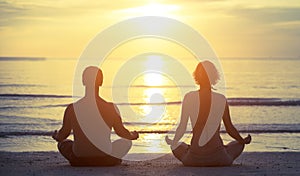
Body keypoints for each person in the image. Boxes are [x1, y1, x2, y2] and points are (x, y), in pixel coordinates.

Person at [165, 61, 251, 166]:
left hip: (193, 159)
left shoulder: (189, 97)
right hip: (218, 158)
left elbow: (182, 127)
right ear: (214, 76)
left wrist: (173, 142)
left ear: (196, 76)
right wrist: (242, 140)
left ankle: (189, 148)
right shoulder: (221, 99)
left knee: (177, 146)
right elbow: (229, 128)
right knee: (238, 144)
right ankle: (223, 149)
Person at [52, 66, 139, 166]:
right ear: (101, 82)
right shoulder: (111, 108)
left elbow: (62, 135)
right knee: (127, 142)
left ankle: (81, 161)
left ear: (83, 81)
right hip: (104, 156)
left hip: (80, 156)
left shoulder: (72, 108)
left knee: (62, 143)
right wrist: (133, 135)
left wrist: (56, 135)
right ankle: (109, 160)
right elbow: (121, 132)